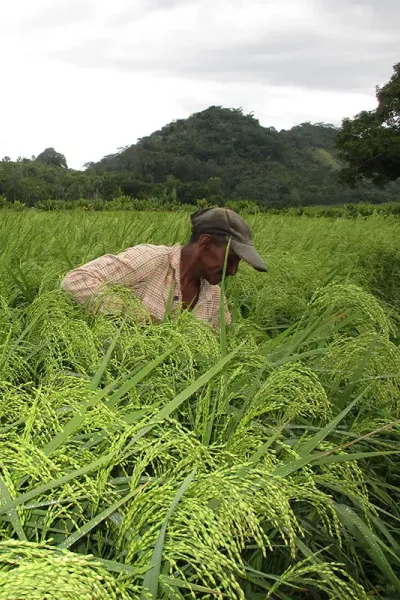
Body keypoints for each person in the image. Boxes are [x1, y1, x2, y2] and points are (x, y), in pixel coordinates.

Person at [61, 207, 268, 328]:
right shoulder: (151, 259)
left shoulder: (215, 299)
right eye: (230, 259)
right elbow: (76, 281)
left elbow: (221, 347)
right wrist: (139, 319)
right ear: (205, 243)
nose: (232, 270)